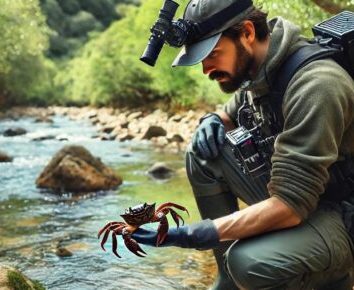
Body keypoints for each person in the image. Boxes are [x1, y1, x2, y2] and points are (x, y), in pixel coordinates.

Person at [132, 0, 354, 289]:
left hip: (343, 213)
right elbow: (229, 114)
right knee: (203, 154)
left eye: (212, 53)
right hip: (314, 196)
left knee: (248, 262)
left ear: (247, 33)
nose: (206, 69)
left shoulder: (316, 85)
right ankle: (228, 280)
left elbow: (290, 205)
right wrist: (212, 119)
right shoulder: (260, 70)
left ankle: (330, 275)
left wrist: (197, 234)